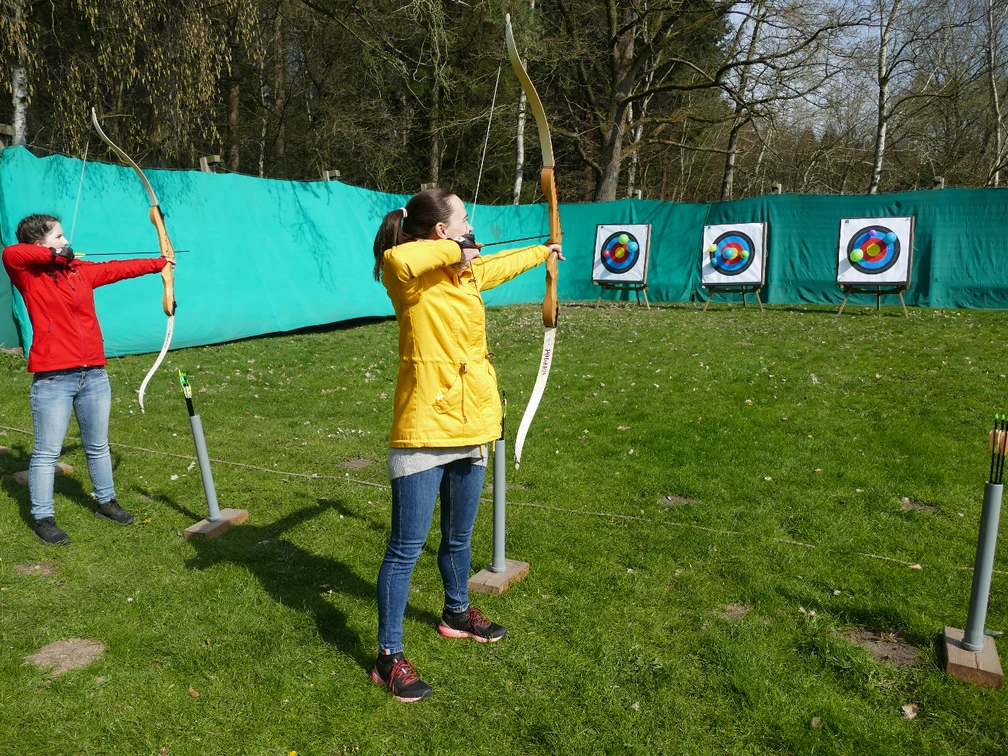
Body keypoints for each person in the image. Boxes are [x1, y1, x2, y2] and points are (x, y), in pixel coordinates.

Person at [369, 187, 563, 702]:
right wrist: (457, 252)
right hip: (423, 428)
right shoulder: (407, 276)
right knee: (405, 548)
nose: (470, 230)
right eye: (463, 223)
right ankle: (388, 657)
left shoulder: (465, 272)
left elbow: (496, 265)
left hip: (473, 422)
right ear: (441, 233)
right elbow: (398, 257)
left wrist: (543, 252)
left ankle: (456, 613)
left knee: (459, 537)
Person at [1, 214, 175, 545]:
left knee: (97, 445)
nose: (66, 241)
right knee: (46, 452)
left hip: (93, 373)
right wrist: (54, 258)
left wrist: (161, 263)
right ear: (39, 243)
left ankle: (106, 502)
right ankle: (43, 517)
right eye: (58, 237)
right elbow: (12, 253)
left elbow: (118, 268)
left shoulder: (80, 272)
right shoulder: (28, 274)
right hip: (54, 378)